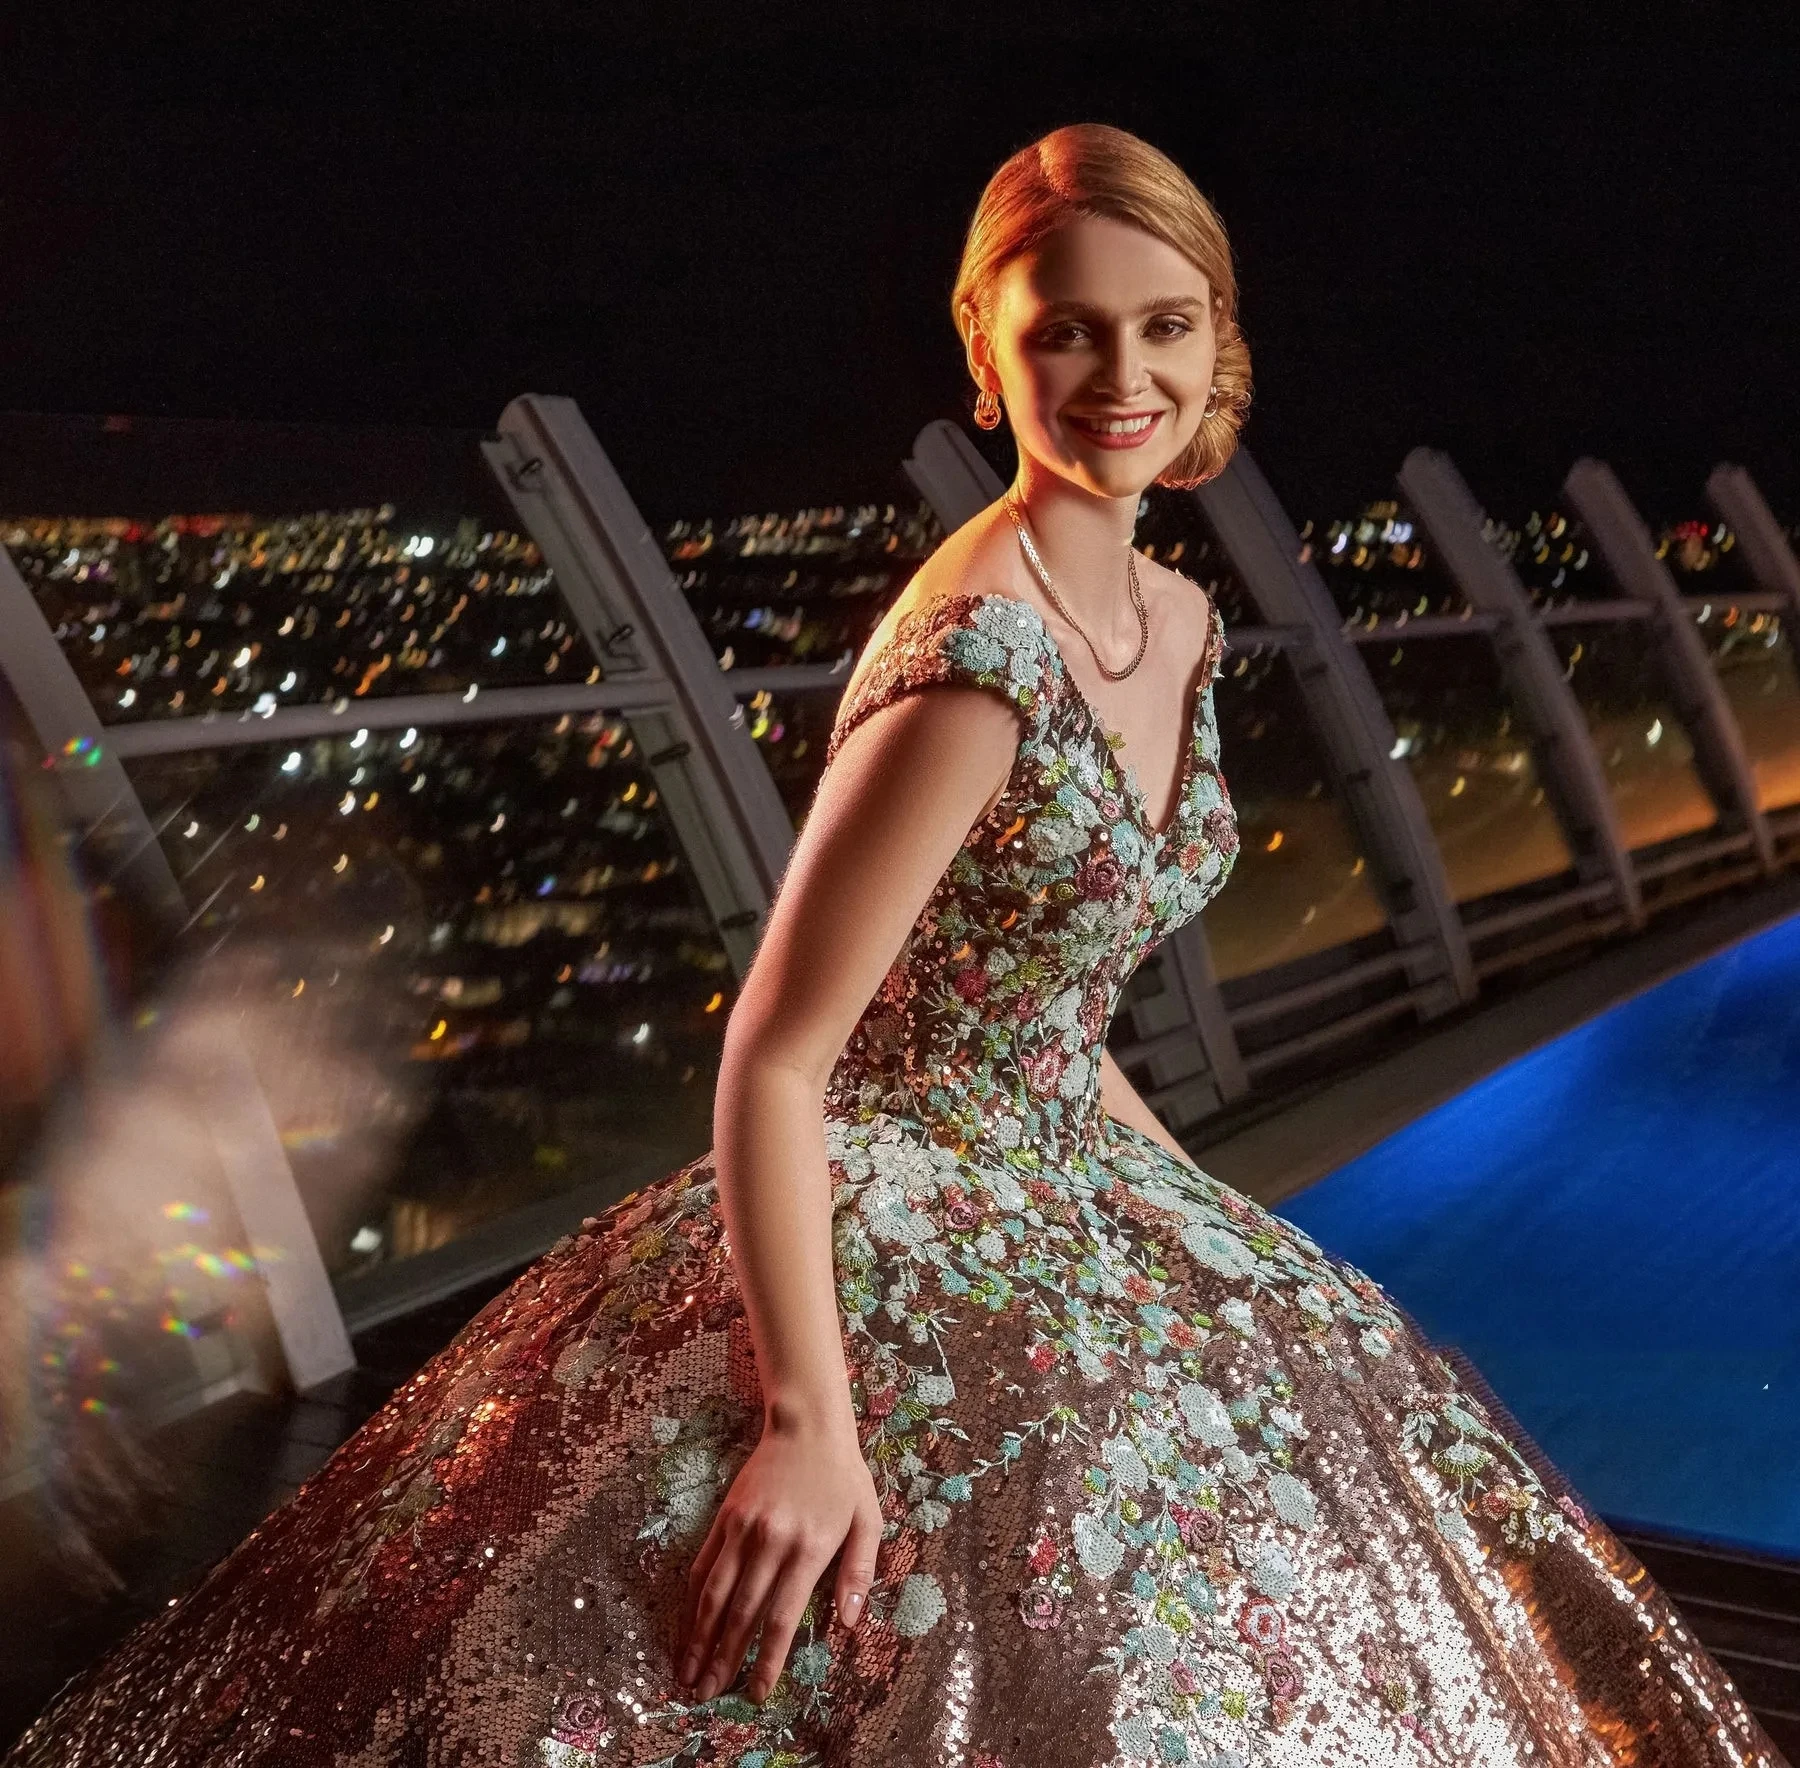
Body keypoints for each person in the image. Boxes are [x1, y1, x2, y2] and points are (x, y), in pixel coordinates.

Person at [6, 121, 1784, 1768]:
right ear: (984, 346)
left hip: (1062, 1157)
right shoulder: (976, 662)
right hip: (873, 1188)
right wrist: (807, 1421)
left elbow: (1047, 1011)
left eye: (1163, 325)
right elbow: (780, 1057)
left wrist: (1241, 1240)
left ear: (1216, 337)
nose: (1121, 378)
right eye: (1065, 333)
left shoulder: (1176, 615)